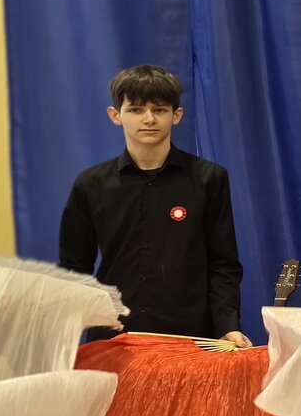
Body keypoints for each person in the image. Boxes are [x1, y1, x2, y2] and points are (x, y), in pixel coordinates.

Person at [59, 64, 249, 345]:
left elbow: (223, 264)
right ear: (115, 115)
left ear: (176, 115)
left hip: (189, 334)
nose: (148, 119)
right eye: (136, 109)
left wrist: (227, 324)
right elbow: (74, 268)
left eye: (159, 109)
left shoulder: (208, 178)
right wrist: (71, 324)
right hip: (113, 336)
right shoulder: (91, 184)